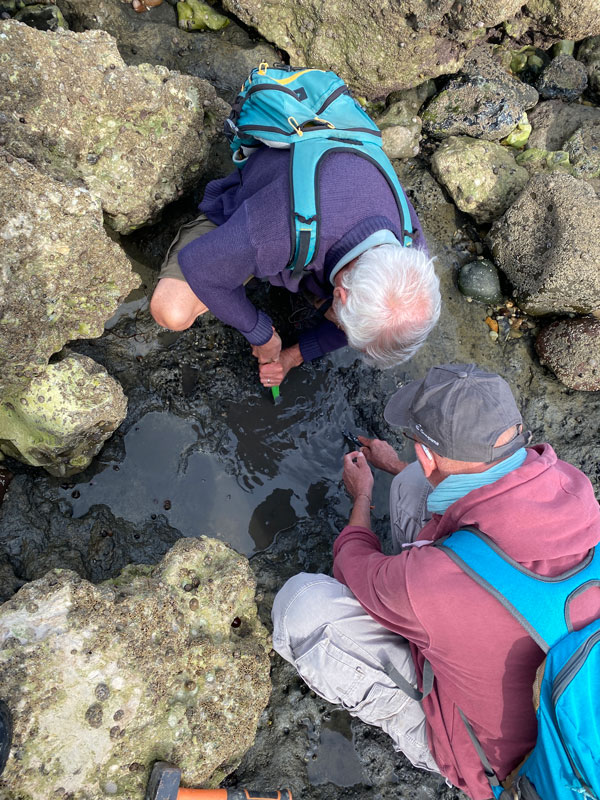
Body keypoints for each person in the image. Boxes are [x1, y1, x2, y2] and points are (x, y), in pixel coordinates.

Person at [271, 363, 600, 799]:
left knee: (299, 606)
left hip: (490, 767)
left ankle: (423, 723)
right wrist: (399, 467)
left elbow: (350, 563)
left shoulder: (431, 582)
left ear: (429, 455)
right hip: (544, 693)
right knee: (410, 485)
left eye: (418, 450)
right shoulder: (575, 495)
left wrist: (363, 495)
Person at [150, 147, 440, 387]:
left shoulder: (412, 253)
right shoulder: (277, 233)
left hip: (321, 238)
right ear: (341, 294)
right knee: (171, 311)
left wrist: (291, 357)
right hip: (259, 208)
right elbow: (199, 266)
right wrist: (261, 333)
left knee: (367, 322)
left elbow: (377, 323)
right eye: (343, 323)